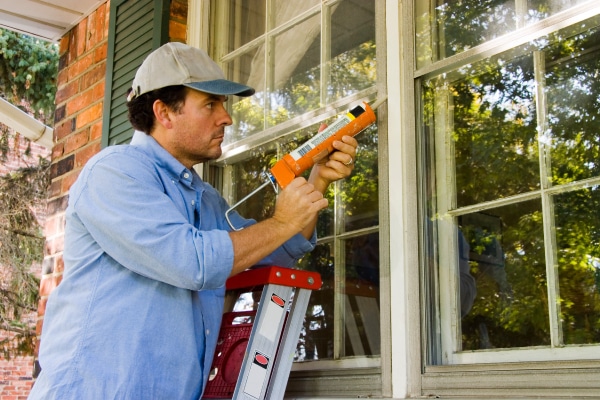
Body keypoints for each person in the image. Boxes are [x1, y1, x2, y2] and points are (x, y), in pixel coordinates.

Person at [29, 42, 358, 399]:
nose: (227, 118)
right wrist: (281, 222)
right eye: (210, 104)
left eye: (224, 105)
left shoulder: (205, 199)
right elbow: (192, 261)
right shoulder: (114, 172)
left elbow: (272, 254)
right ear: (164, 113)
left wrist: (317, 180)